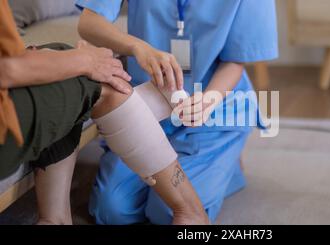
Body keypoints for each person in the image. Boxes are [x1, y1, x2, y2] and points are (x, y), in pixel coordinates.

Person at [0, 0, 208, 225]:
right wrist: (87, 59)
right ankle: (192, 212)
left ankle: (54, 219)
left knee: (62, 57)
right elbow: (8, 67)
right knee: (97, 81)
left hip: (215, 111)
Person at [76, 0, 279, 224]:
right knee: (111, 212)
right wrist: (137, 46)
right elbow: (88, 22)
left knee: (167, 212)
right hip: (148, 109)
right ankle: (214, 167)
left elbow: (235, 60)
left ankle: (227, 164)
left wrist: (209, 100)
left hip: (212, 108)